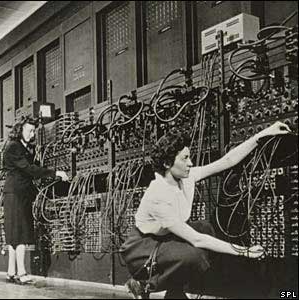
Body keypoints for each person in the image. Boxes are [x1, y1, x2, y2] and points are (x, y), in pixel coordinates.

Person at [120, 121, 292, 299]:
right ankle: (141, 284)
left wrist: (263, 135)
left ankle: (175, 292)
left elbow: (227, 161)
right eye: (185, 158)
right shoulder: (158, 195)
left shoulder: (186, 178)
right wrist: (244, 251)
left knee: (205, 227)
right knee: (193, 255)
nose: (190, 163)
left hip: (165, 238)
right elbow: (197, 240)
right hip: (143, 247)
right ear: (166, 164)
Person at [2, 117, 69, 284]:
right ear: (19, 130)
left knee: (14, 234)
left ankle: (11, 272)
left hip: (19, 193)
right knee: (21, 232)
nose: (32, 135)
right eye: (29, 131)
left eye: (33, 131)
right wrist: (55, 173)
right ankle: (22, 273)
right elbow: (28, 169)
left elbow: (30, 168)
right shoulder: (14, 147)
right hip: (16, 194)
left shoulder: (22, 147)